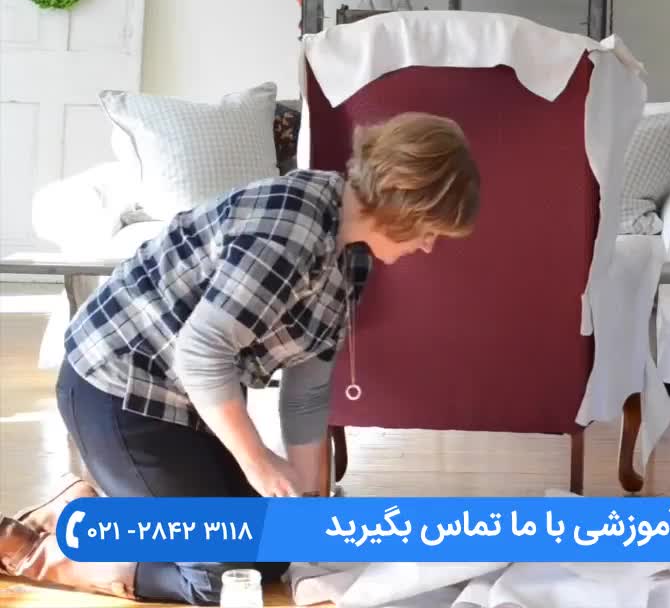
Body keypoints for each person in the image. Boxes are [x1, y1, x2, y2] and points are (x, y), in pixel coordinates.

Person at [0, 112, 480, 605]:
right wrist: (259, 462)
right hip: (117, 391)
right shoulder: (291, 229)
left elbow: (307, 392)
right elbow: (200, 352)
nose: (428, 246)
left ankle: (94, 510)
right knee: (223, 580)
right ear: (404, 200)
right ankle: (49, 552)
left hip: (188, 406)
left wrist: (308, 507)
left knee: (276, 549)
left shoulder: (353, 259)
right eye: (430, 229)